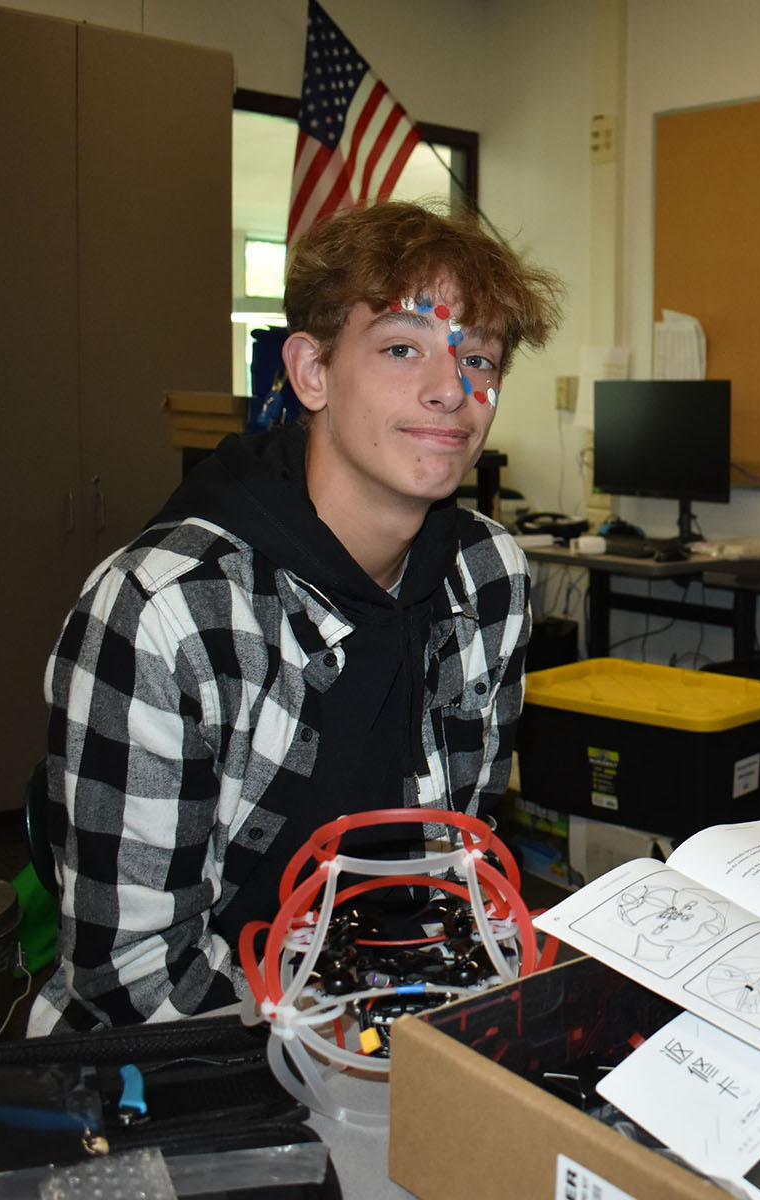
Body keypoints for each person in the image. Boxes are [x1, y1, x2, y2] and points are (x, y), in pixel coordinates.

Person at [30, 201, 563, 1033]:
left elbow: (464, 864)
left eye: (480, 359)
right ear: (311, 372)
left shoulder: (490, 576)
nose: (451, 391)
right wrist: (350, 1048)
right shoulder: (166, 612)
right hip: (196, 1052)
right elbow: (130, 978)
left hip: (401, 1015)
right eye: (400, 348)